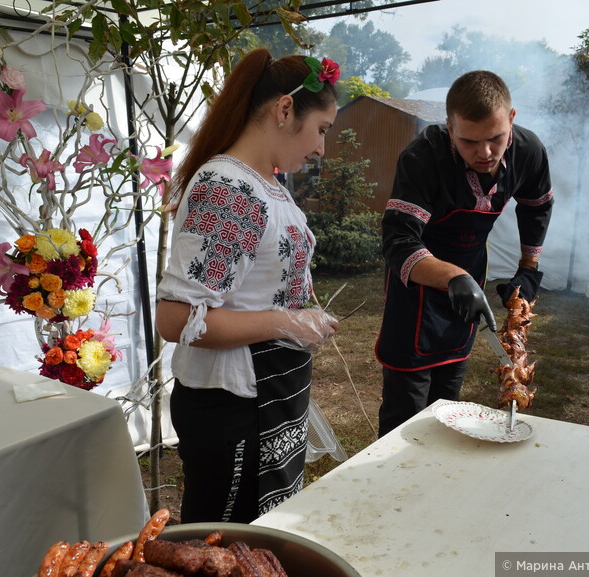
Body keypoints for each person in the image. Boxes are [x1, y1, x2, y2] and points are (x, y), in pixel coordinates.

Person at [155, 48, 341, 523]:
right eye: (321, 129)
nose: (322, 148)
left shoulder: (268, 185)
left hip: (268, 392)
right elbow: (176, 319)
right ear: (284, 110)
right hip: (232, 406)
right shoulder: (229, 187)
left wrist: (301, 315)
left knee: (260, 541)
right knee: (227, 545)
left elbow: (260, 285)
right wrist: (287, 322)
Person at [375, 70, 554, 437]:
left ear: (512, 120)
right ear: (449, 127)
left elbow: (536, 206)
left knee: (448, 406)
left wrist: (528, 267)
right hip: (416, 292)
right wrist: (454, 278)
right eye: (469, 141)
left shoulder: (529, 151)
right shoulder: (423, 160)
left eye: (496, 138)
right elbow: (399, 242)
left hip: (470, 278)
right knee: (405, 413)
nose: (485, 152)